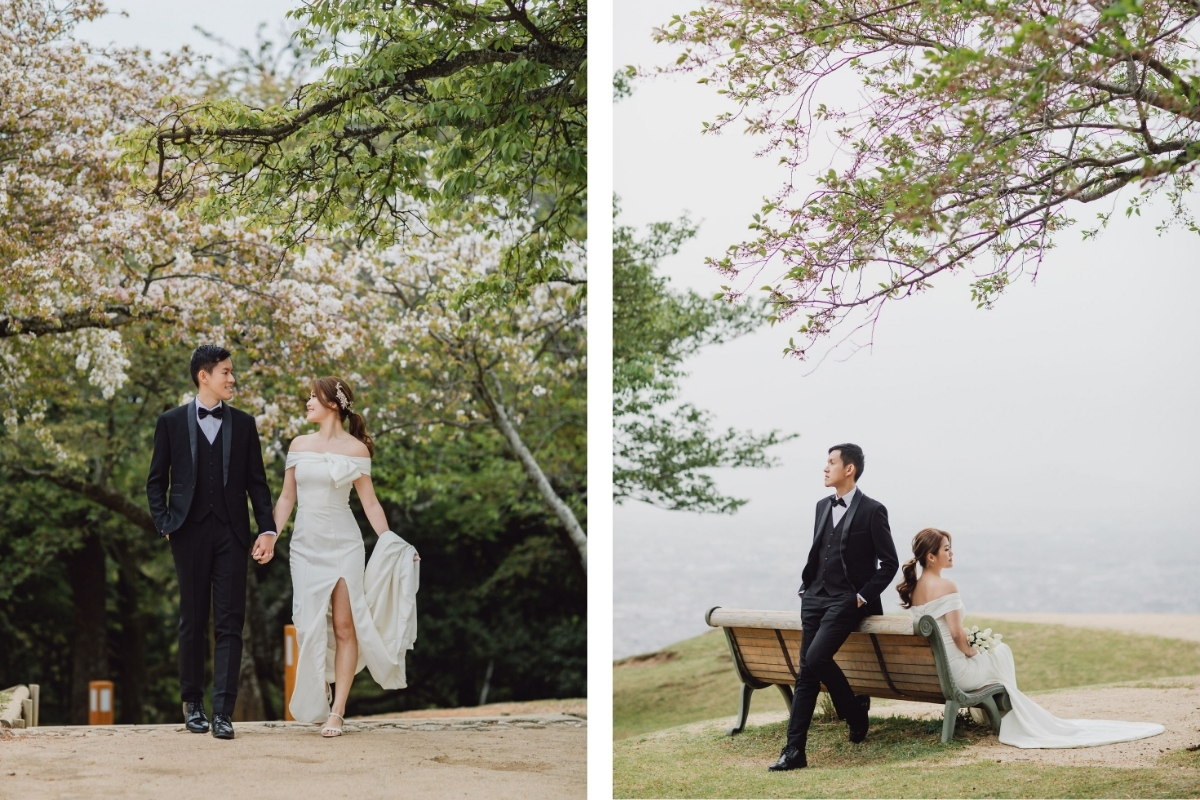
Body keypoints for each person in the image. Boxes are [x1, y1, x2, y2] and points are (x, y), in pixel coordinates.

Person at [256, 376, 420, 737]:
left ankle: (337, 710)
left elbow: (370, 503)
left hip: (345, 545)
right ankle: (321, 684)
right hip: (304, 547)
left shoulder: (357, 451)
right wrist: (270, 536)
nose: (307, 402)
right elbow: (286, 499)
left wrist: (394, 544)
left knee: (346, 627)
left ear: (333, 404)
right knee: (306, 625)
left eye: (313, 397)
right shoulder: (298, 445)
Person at [900, 528, 1165, 748]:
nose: (951, 552)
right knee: (1001, 651)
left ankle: (1002, 710)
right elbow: (957, 634)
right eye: (946, 548)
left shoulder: (913, 590)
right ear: (931, 557)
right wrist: (971, 652)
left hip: (931, 673)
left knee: (997, 652)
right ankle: (1009, 713)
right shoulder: (946, 586)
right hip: (955, 673)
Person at [146, 345, 278, 740]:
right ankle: (193, 706)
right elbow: (156, 481)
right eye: (226, 371)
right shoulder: (169, 422)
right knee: (191, 620)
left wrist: (267, 529)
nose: (232, 378)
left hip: (233, 534)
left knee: (230, 623)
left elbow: (258, 483)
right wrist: (165, 523)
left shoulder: (244, 423)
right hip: (187, 532)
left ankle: (223, 712)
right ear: (204, 376)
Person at [770, 443, 900, 771]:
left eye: (831, 462)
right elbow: (820, 550)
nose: (825, 468)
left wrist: (862, 596)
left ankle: (855, 713)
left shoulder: (873, 510)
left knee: (815, 658)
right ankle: (794, 751)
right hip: (814, 598)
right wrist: (807, 585)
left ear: (849, 468)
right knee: (806, 676)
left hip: (847, 600)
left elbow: (889, 563)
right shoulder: (820, 506)